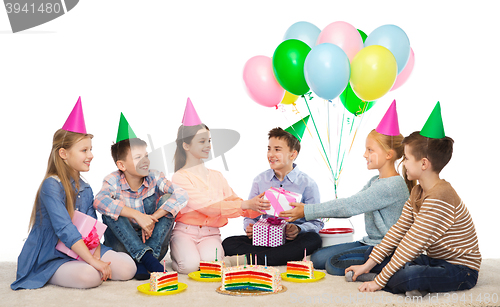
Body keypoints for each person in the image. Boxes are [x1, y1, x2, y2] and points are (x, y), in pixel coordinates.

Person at [346, 102, 481, 297]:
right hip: (434, 260)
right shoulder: (417, 191)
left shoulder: (441, 196)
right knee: (381, 256)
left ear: (424, 163)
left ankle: (404, 282)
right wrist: (367, 266)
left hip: (461, 269)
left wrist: (378, 281)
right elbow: (398, 231)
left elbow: (411, 244)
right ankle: (405, 283)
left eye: (407, 158)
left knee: (410, 274)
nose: (403, 163)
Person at [11, 98, 136, 290]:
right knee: (90, 276)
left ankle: (84, 264)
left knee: (128, 268)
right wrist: (93, 263)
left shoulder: (85, 188)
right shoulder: (51, 185)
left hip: (81, 249)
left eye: (91, 149)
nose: (91, 155)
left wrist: (96, 256)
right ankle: (47, 273)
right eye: (84, 150)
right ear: (63, 154)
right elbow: (65, 230)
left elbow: (91, 231)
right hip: (51, 254)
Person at [280, 101, 411, 275]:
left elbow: (349, 207)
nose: (365, 154)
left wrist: (307, 211)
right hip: (370, 243)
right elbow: (351, 202)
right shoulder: (376, 180)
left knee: (332, 265)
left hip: (386, 250)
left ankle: (388, 270)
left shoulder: (391, 186)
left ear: (389, 155)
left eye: (370, 150)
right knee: (318, 258)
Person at [169, 98, 266, 274]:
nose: (208, 146)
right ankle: (178, 256)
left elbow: (236, 203)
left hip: (210, 234)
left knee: (211, 267)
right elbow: (208, 207)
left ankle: (198, 255)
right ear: (186, 145)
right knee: (189, 266)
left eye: (209, 140)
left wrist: (258, 206)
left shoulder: (217, 176)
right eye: (202, 141)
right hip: (185, 233)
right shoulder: (179, 177)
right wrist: (245, 204)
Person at [93, 113, 188, 280]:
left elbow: (181, 194)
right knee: (112, 208)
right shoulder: (113, 180)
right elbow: (99, 201)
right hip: (122, 248)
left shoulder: (155, 176)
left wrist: (152, 218)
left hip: (155, 245)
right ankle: (146, 259)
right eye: (138, 157)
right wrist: (137, 215)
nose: (145, 161)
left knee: (168, 199)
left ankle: (146, 260)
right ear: (121, 165)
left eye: (146, 156)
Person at [223, 117, 324, 266]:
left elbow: (317, 222)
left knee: (314, 240)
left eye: (277, 149)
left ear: (293, 154)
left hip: (292, 240)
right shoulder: (260, 180)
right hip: (264, 239)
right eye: (269, 148)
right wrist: (249, 227)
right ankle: (277, 258)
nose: (271, 154)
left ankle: (251, 259)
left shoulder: (308, 184)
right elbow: (250, 214)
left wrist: (298, 228)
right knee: (228, 243)